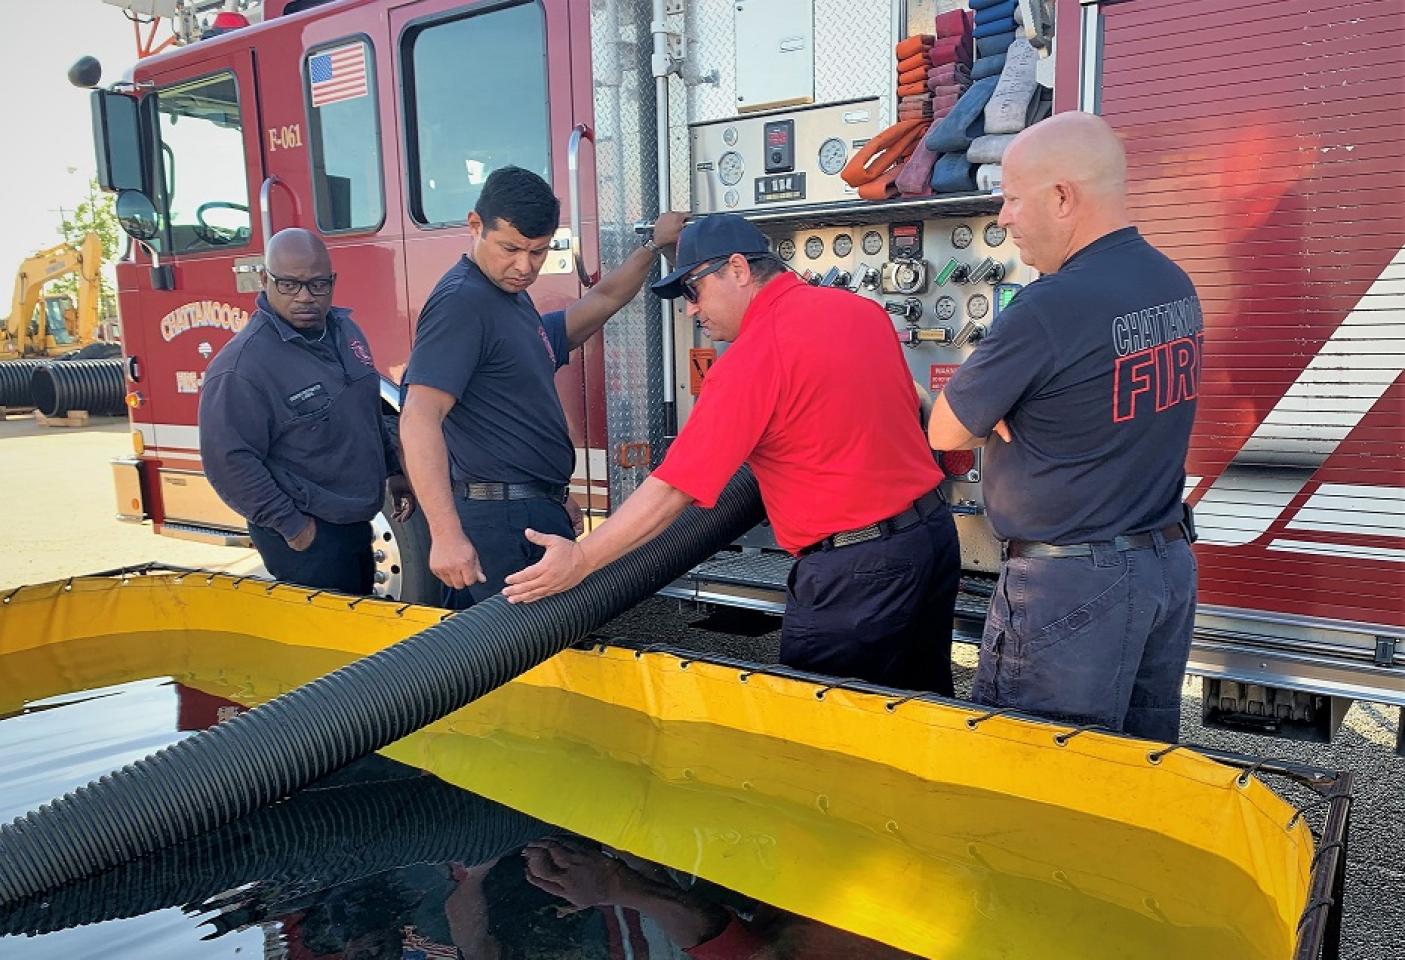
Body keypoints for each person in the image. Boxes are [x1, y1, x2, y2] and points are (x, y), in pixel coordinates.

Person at [503, 214, 962, 695]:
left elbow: (671, 490)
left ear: (738, 269)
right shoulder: (859, 311)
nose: (689, 311)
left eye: (693, 291)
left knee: (818, 738)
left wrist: (581, 558)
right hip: (930, 541)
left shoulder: (755, 357)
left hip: (857, 575)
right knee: (922, 714)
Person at [927, 111, 1202, 743]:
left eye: (1013, 198)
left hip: (1073, 588)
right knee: (1137, 771)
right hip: (1163, 568)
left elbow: (945, 430)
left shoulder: (1051, 306)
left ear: (1061, 197)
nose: (1003, 218)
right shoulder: (1171, 282)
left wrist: (993, 406)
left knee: (1033, 779)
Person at [399, 165, 686, 608]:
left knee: (546, 651)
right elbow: (419, 417)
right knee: (501, 658)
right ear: (475, 225)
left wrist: (652, 246)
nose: (524, 266)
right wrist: (446, 534)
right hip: (495, 522)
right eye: (510, 248)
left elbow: (601, 301)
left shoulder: (510, 299)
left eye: (538, 252)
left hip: (531, 510)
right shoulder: (462, 301)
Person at [200, 228, 414, 595]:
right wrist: (295, 529)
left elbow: (365, 413)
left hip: (357, 523)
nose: (304, 297)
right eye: (288, 285)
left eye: (317, 285)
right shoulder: (243, 367)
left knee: (359, 635)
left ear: (332, 281)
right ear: (265, 279)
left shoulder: (345, 331)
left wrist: (395, 473)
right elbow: (229, 462)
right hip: (309, 540)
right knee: (331, 645)